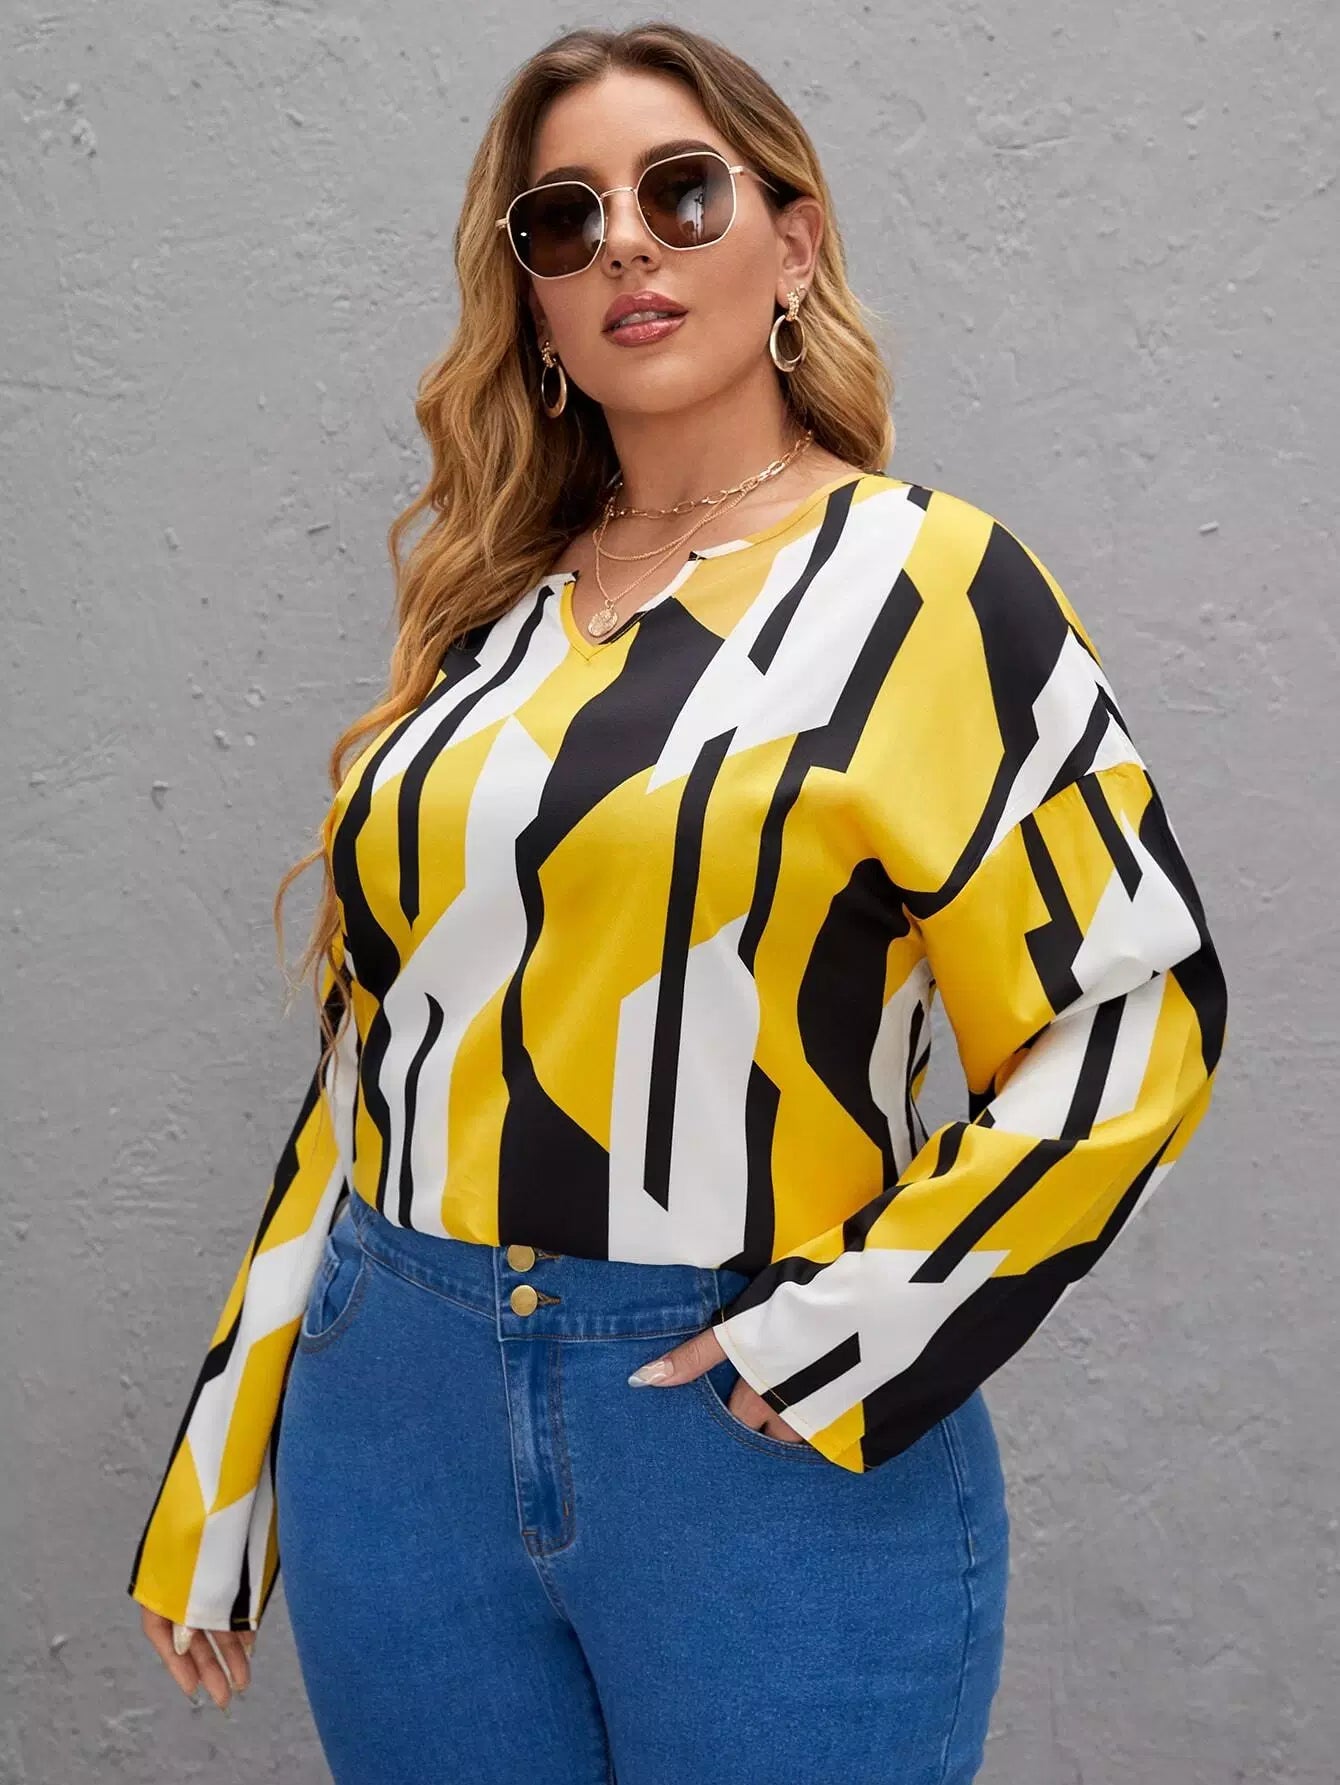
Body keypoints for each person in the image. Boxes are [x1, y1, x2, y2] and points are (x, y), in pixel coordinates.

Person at [128, 21, 1228, 1783]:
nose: (625, 243)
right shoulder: (486, 630)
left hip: (737, 1437)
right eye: (564, 221)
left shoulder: (929, 586)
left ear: (793, 242)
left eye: (681, 191)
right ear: (538, 307)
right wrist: (224, 1455)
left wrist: (850, 1330)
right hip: (390, 1412)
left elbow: (1137, 1012)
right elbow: (373, 1062)